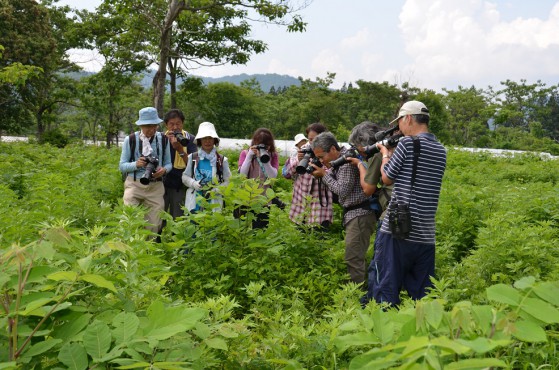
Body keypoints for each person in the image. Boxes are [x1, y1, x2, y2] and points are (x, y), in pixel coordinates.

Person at [366, 100, 447, 307]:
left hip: (397, 230)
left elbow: (386, 178)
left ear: (408, 118)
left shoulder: (407, 143)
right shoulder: (441, 150)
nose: (399, 128)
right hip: (425, 234)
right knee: (422, 297)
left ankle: (384, 335)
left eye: (400, 122)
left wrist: (385, 155)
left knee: (386, 289)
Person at [310, 132, 376, 286]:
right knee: (355, 255)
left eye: (321, 157)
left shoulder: (345, 162)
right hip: (355, 214)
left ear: (333, 149)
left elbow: (342, 191)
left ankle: (359, 297)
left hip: (360, 214)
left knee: (353, 258)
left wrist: (323, 175)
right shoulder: (339, 160)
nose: (321, 161)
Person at [119, 107, 172, 235]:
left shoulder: (163, 140)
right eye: (148, 126)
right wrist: (136, 164)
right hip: (134, 184)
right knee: (129, 220)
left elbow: (169, 163)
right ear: (141, 125)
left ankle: (148, 250)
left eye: (154, 126)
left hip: (155, 186)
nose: (151, 129)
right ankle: (127, 250)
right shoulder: (130, 140)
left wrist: (164, 170)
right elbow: (122, 166)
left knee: (154, 224)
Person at [282, 123, 333, 231]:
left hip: (320, 204)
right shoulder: (303, 149)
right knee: (300, 235)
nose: (312, 143)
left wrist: (322, 170)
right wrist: (299, 160)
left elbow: (335, 175)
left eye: (316, 139)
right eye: (310, 139)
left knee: (319, 235)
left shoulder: (330, 151)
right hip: (301, 202)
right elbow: (289, 173)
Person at [346, 122, 393, 221]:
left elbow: (368, 189)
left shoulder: (376, 153)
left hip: (393, 209)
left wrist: (359, 164)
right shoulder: (391, 146)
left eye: (357, 148)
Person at [181, 121, 231, 213]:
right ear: (200, 140)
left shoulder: (222, 160)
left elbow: (228, 181)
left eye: (210, 138)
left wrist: (217, 189)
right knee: (194, 224)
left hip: (214, 202)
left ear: (214, 140)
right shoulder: (192, 157)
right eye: (204, 138)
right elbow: (185, 176)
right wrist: (193, 183)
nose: (207, 141)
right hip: (194, 201)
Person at [238, 128, 279, 229]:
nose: (264, 148)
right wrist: (249, 156)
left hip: (264, 199)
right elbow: (242, 175)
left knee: (261, 228)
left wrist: (265, 160)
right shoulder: (245, 153)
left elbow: (272, 176)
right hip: (247, 197)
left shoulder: (273, 155)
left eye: (267, 145)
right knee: (244, 228)